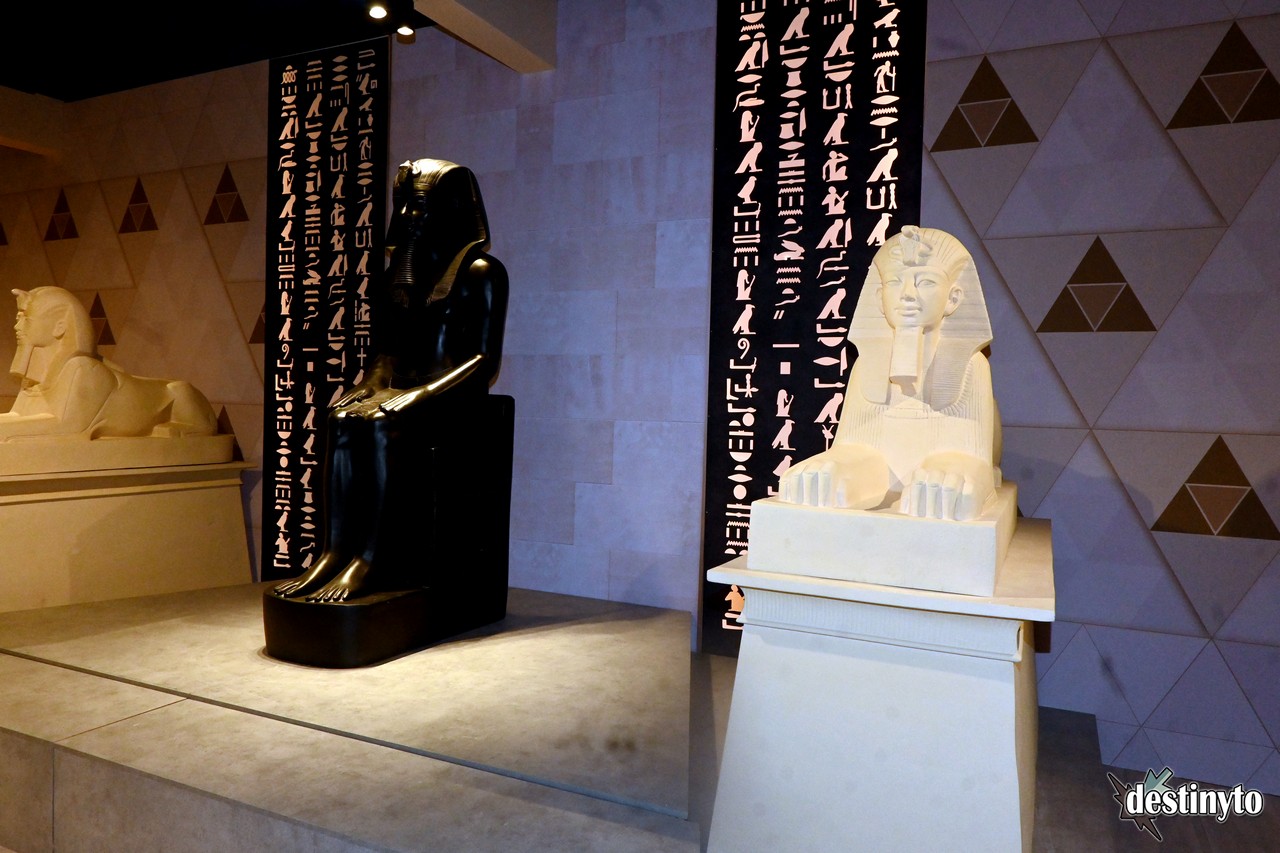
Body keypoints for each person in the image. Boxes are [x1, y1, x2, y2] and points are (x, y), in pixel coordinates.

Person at [273, 159, 508, 602]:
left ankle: (372, 560)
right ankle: (334, 552)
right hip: (404, 387)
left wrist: (420, 394)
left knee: (382, 425)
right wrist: (371, 384)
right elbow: (387, 352)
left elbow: (483, 361)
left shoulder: (482, 272)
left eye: (419, 205)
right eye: (403, 204)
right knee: (342, 419)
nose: (406, 216)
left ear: (451, 209)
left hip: (453, 397)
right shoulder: (399, 274)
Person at [778, 226, 1000, 521]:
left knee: (948, 482)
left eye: (926, 282)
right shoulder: (866, 365)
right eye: (895, 282)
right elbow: (858, 448)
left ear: (953, 298)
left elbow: (972, 458)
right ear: (880, 297)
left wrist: (958, 469)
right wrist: (841, 466)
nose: (907, 295)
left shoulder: (972, 365)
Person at [2, 286, 217, 440]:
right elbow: (20, 417)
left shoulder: (82, 370)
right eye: (18, 319)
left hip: (174, 405)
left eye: (26, 319)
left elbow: (68, 428)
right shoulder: (33, 381)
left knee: (178, 390)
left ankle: (198, 427)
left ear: (60, 327)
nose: (17, 327)